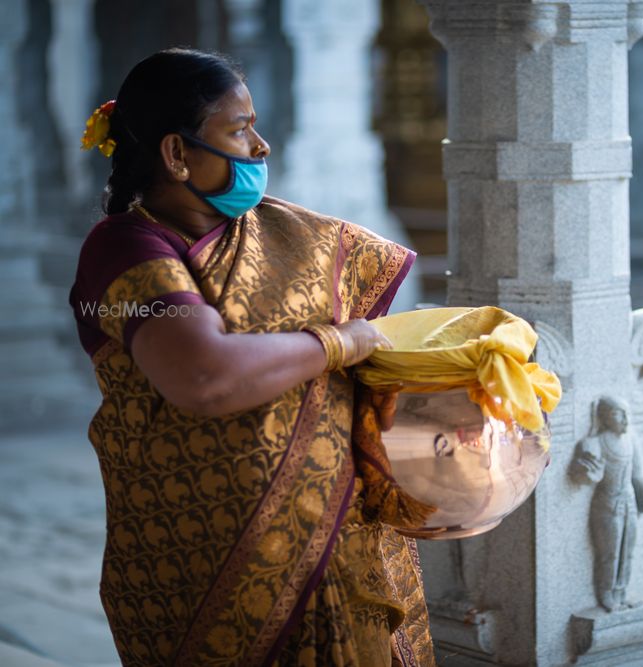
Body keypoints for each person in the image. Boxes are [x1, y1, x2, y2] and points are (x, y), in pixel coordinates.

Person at [70, 48, 433, 666]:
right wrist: (338, 343)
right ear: (176, 153)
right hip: (206, 567)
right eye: (239, 130)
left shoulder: (283, 234)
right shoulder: (126, 247)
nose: (261, 147)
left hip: (332, 557)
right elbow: (204, 376)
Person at [571, 396, 643, 612]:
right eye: (616, 415)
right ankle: (606, 595)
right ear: (604, 418)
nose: (623, 420)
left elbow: (637, 475)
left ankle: (622, 592)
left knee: (627, 551)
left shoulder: (631, 441)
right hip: (607, 502)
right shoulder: (594, 443)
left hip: (628, 500)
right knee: (609, 553)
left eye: (624, 414)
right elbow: (586, 476)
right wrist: (586, 470)